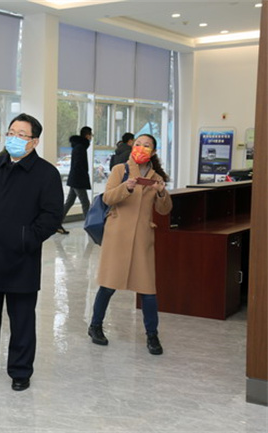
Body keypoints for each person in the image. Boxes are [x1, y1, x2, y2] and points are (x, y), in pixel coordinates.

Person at [0, 113, 64, 391]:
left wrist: (26, 238)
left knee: (21, 317)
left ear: (34, 141)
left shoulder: (46, 173)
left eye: (21, 134)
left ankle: (20, 369)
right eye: (11, 133)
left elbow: (52, 216)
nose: (14, 138)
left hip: (21, 256)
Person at [87, 133, 172, 355]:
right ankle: (95, 326)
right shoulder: (120, 170)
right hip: (117, 236)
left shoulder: (156, 177)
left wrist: (161, 192)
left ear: (153, 152)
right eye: (138, 144)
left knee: (148, 290)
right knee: (108, 285)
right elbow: (107, 198)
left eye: (147, 146)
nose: (141, 148)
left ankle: (152, 335)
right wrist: (127, 187)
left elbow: (164, 210)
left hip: (142, 238)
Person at [58, 126, 92, 235]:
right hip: (78, 179)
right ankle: (90, 225)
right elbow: (78, 165)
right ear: (87, 135)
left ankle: (56, 223)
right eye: (90, 135)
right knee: (85, 202)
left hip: (75, 179)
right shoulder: (80, 147)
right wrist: (81, 179)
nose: (91, 138)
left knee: (69, 202)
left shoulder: (78, 146)